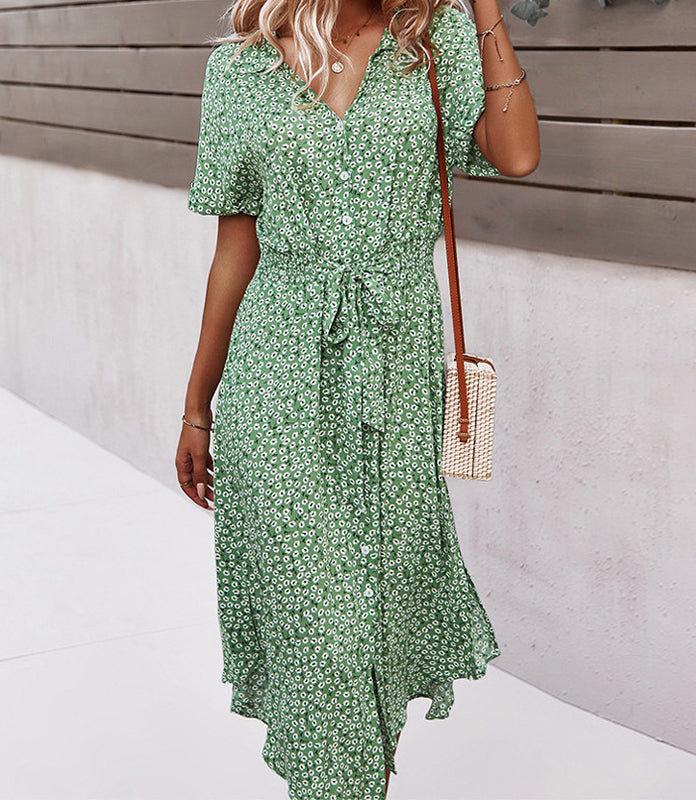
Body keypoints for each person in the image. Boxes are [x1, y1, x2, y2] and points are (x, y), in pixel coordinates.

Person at [177, 0, 539, 797]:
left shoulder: (434, 42)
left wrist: (483, 10)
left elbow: (515, 155)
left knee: (375, 609)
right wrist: (198, 405)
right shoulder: (239, 70)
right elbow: (235, 252)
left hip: (399, 372)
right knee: (323, 629)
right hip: (278, 377)